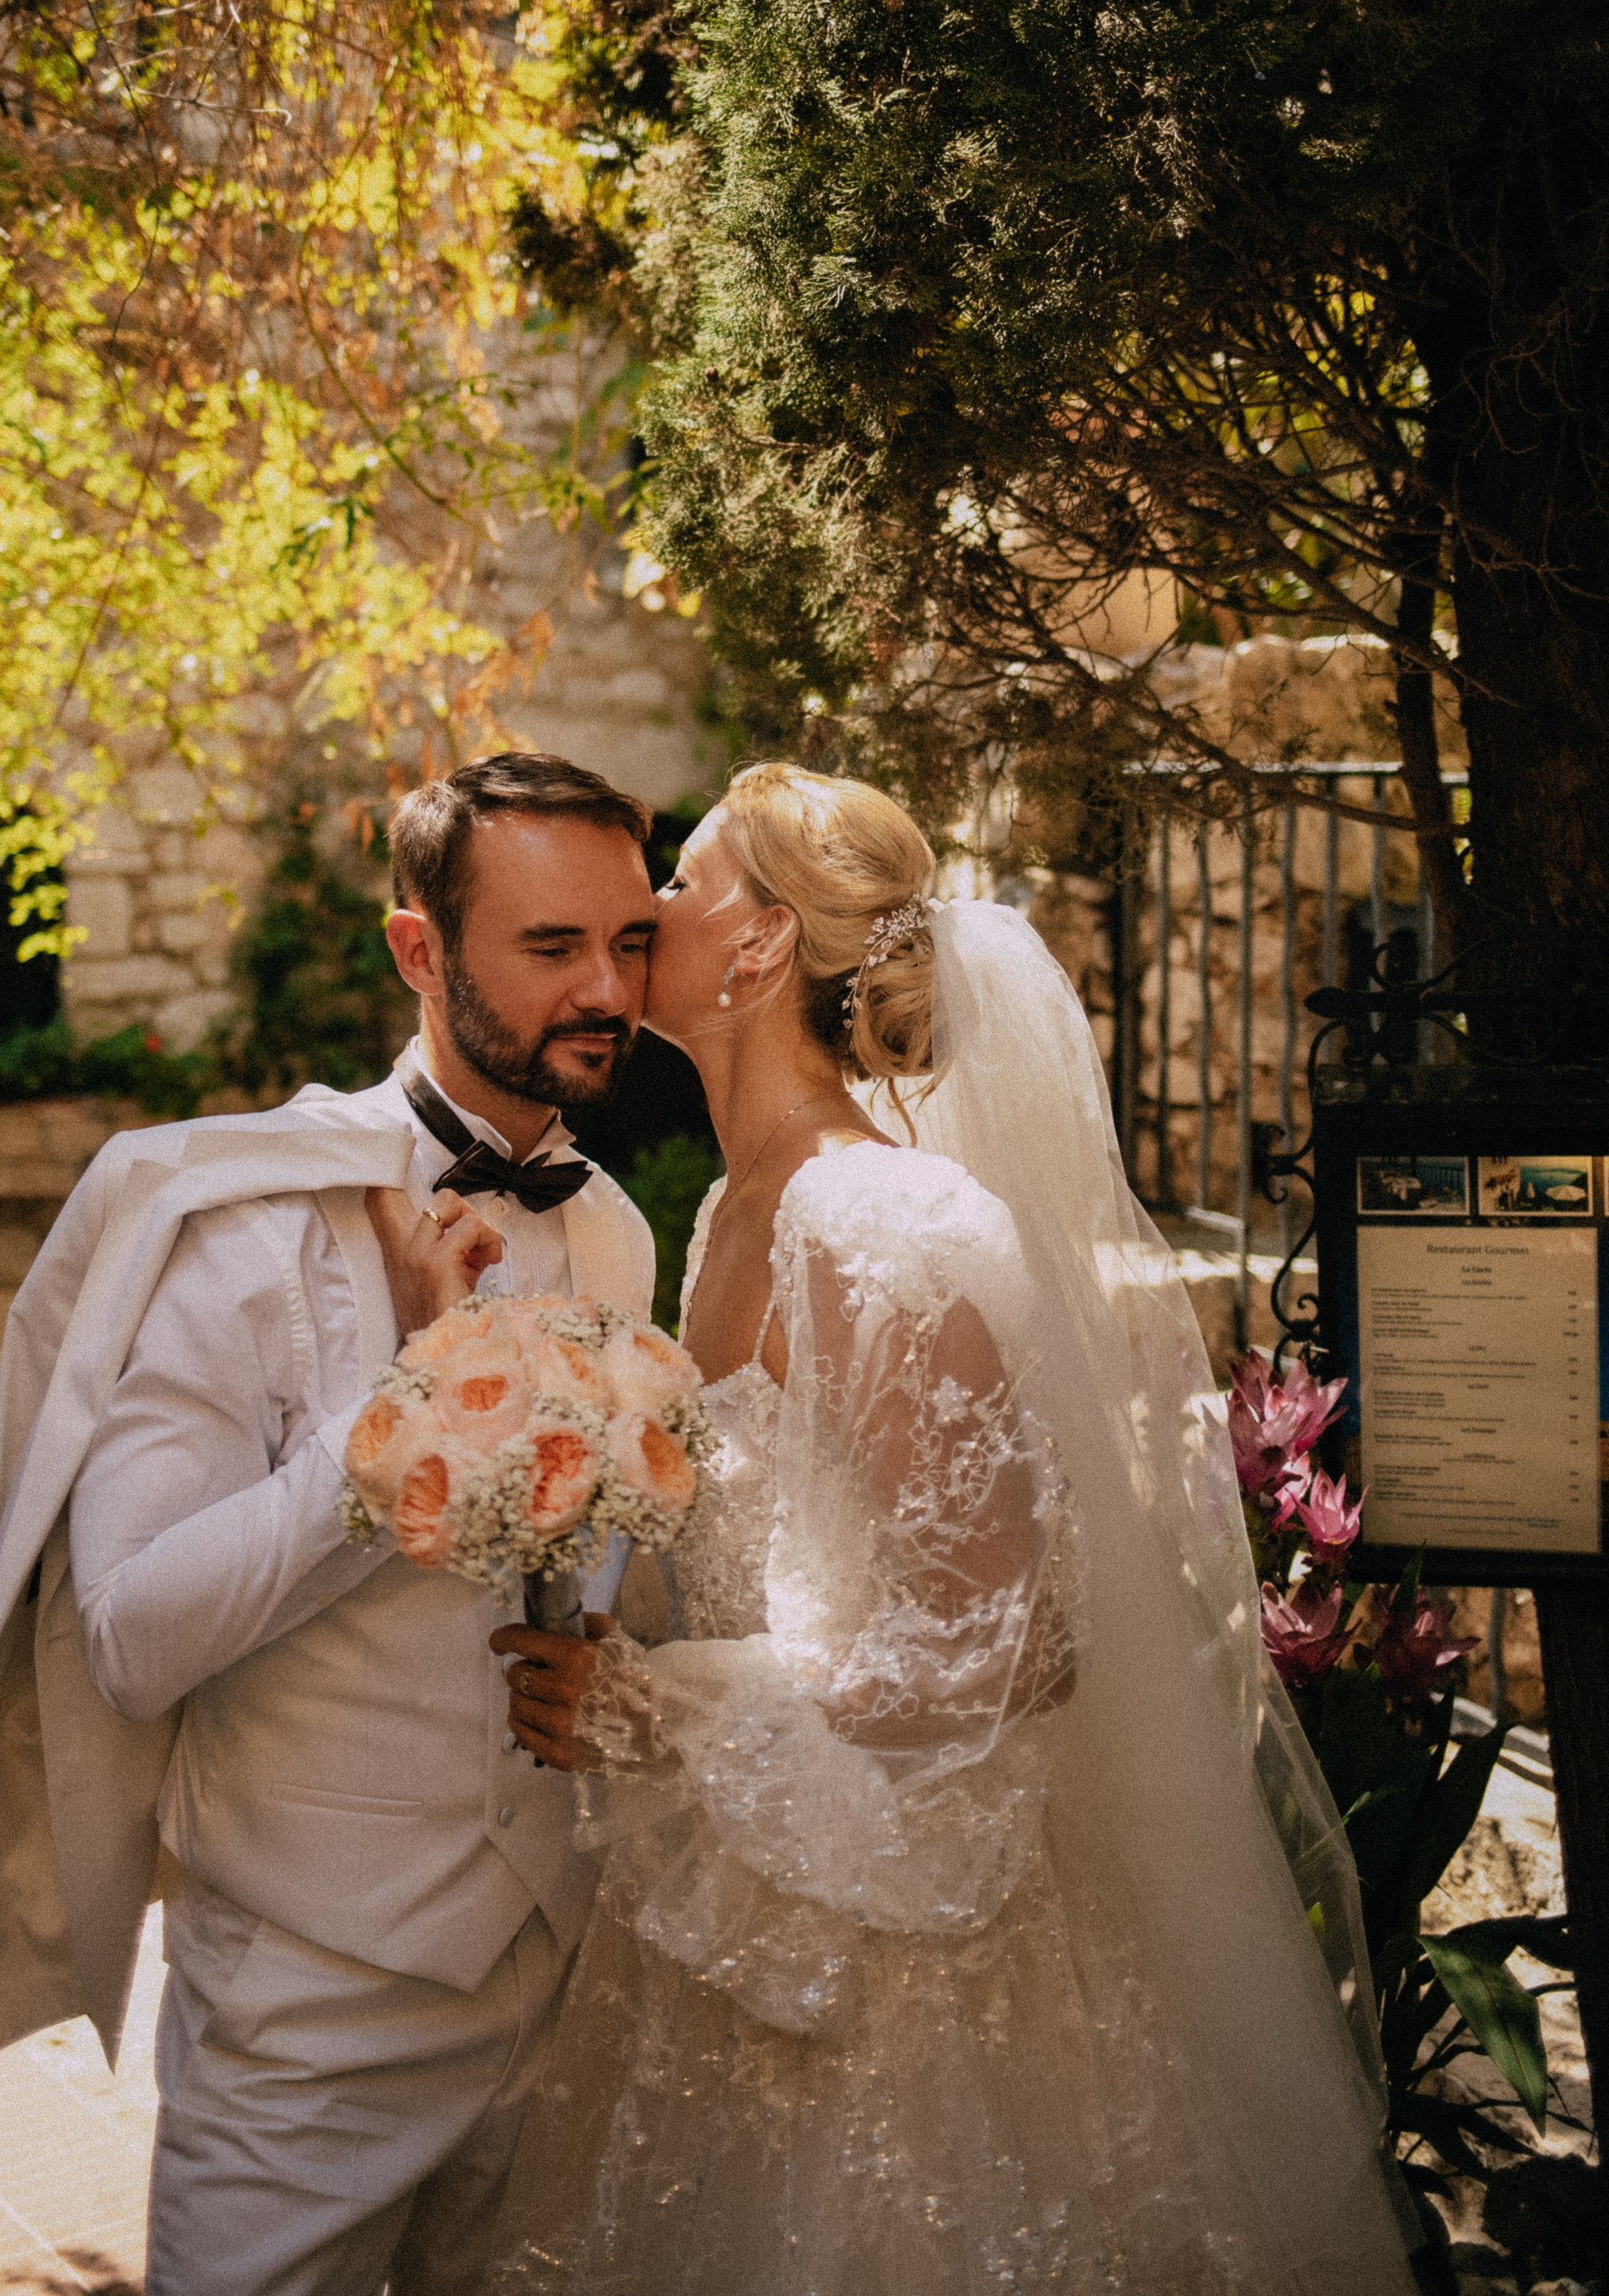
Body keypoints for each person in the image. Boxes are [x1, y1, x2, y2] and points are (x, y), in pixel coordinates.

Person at [486, 762, 1423, 2296]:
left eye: (682, 877)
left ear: (760, 941)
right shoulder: (728, 1215)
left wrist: (661, 1713)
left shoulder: (877, 1224)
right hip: (763, 1891)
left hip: (906, 1966)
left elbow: (1009, 1644)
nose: (644, 906)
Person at [0, 752, 658, 2296]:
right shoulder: (244, 1228)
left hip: (559, 1975)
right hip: (307, 2018)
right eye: (552, 946)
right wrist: (408, 1410)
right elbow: (127, 1640)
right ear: (419, 952)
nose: (606, 990)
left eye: (629, 941)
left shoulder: (611, 1232)